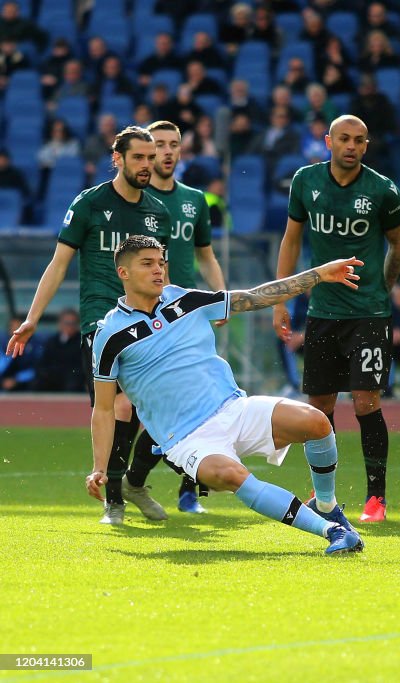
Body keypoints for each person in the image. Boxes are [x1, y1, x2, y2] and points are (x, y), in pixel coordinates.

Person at [86, 235, 365, 555]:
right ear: (123, 272)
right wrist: (99, 468)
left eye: (161, 262)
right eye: (147, 264)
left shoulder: (186, 301)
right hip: (186, 438)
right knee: (230, 475)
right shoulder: (109, 334)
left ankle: (326, 505)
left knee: (316, 422)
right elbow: (104, 408)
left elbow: (255, 296)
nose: (158, 270)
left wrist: (318, 274)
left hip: (233, 408)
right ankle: (332, 532)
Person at [5, 126, 172, 524]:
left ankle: (131, 483)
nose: (147, 165)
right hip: (102, 319)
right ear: (118, 159)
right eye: (139, 158)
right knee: (118, 405)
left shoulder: (157, 213)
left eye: (151, 158)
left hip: (149, 320)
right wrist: (31, 318)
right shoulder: (90, 204)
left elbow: (165, 274)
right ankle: (114, 498)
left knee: (157, 410)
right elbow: (59, 263)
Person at [274, 115, 400, 524]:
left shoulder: (383, 189)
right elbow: (292, 239)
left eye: (359, 140)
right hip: (322, 312)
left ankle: (376, 499)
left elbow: (397, 243)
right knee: (319, 406)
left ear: (367, 146)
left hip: (368, 313)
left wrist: (384, 286)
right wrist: (282, 298)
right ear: (328, 141)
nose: (351, 145)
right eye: (344, 138)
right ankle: (323, 494)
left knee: (366, 401)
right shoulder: (306, 182)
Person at [138, 120, 228, 514]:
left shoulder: (195, 200)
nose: (168, 151)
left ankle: (189, 490)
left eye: (174, 144)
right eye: (160, 145)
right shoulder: (135, 202)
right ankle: (128, 482)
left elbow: (205, 253)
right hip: (152, 316)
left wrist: (219, 298)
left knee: (200, 402)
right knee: (156, 405)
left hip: (189, 314)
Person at [33, 308, 84, 392]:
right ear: (60, 324)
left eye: (73, 323)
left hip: (72, 379)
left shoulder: (82, 342)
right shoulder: (52, 341)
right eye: (67, 323)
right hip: (53, 376)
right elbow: (42, 362)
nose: (70, 326)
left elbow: (82, 366)